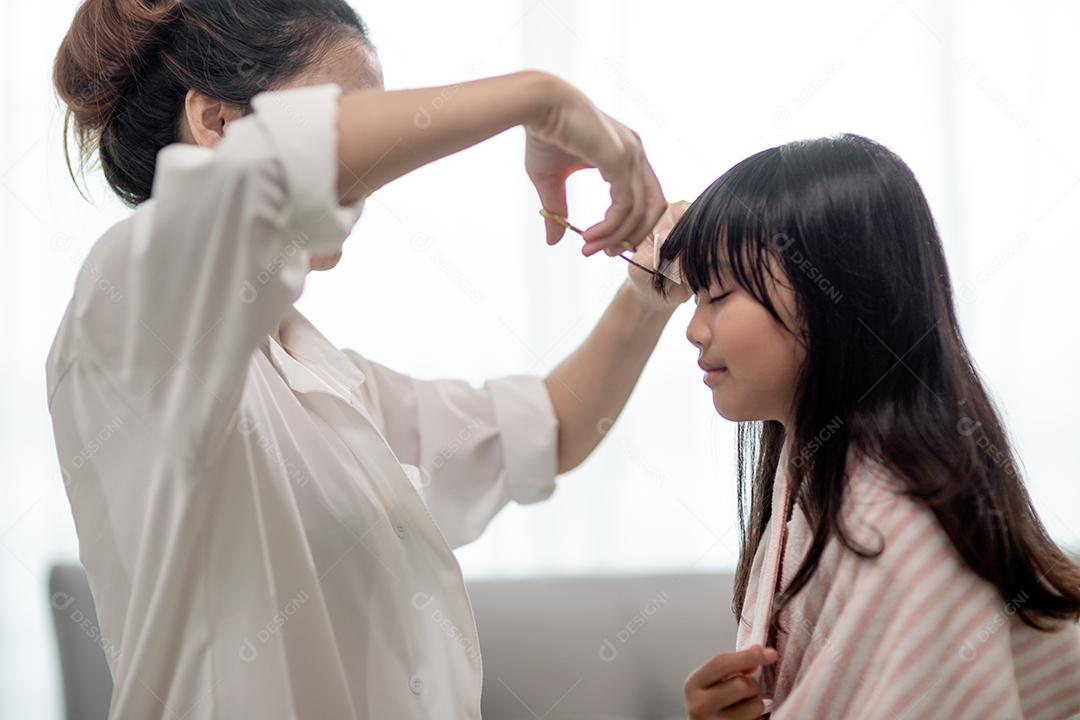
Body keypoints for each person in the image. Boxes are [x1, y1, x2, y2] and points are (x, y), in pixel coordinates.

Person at [46, 1, 688, 717]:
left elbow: (547, 428)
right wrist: (540, 98)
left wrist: (650, 291)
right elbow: (288, 164)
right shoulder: (128, 302)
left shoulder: (321, 376)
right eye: (353, 115)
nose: (383, 164)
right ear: (219, 125)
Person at [659, 134, 1080, 719]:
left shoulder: (895, 525)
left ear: (832, 295)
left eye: (719, 294)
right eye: (696, 297)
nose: (695, 330)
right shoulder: (824, 488)